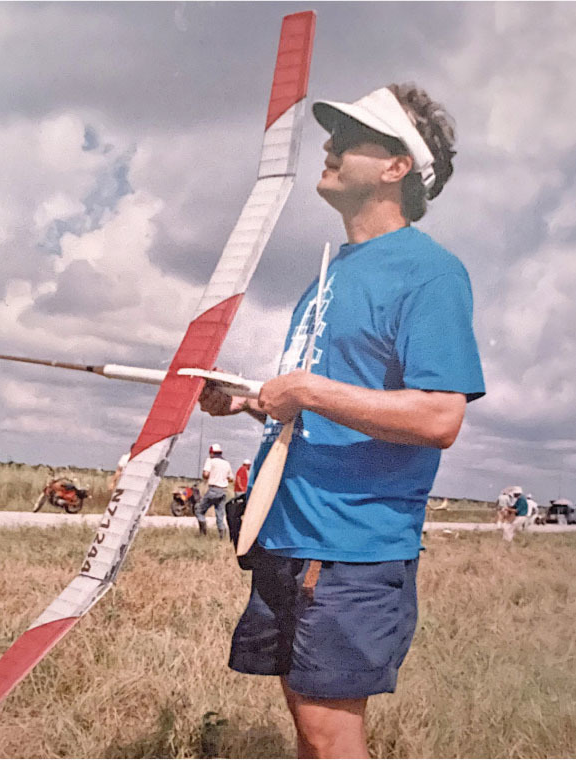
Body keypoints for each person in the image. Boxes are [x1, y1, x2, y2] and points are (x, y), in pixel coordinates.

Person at [199, 83, 485, 758]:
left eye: (349, 136)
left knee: (330, 734)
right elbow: (324, 403)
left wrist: (306, 390)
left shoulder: (429, 274)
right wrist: (247, 399)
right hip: (290, 533)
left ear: (397, 167)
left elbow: (440, 415)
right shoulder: (328, 272)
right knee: (308, 724)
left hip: (352, 544)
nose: (327, 145)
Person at [195, 444, 233, 538]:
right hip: (223, 491)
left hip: (213, 489)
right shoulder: (226, 463)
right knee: (220, 515)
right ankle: (222, 537)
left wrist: (209, 476)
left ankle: (203, 534)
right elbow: (231, 478)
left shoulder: (210, 461)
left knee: (199, 511)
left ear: (211, 452)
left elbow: (205, 474)